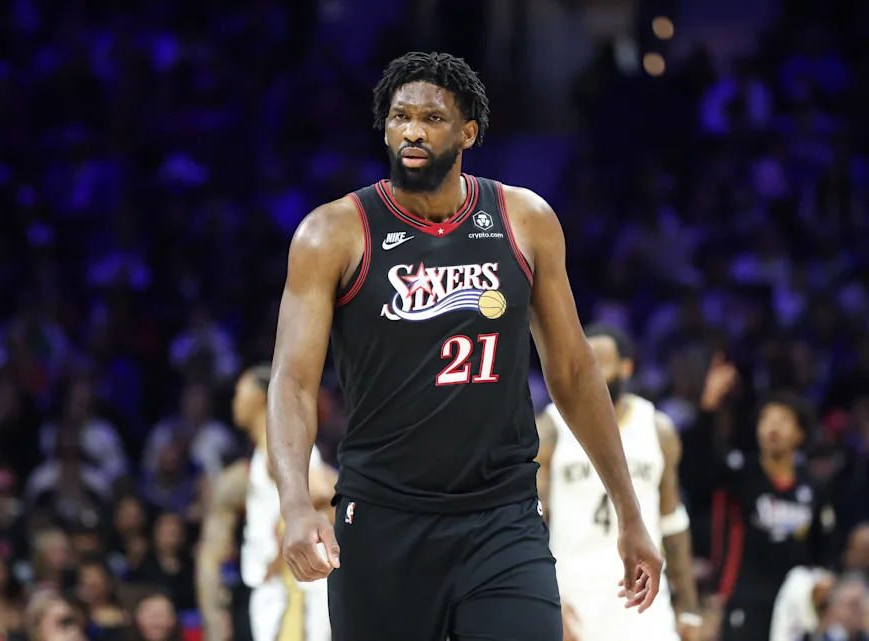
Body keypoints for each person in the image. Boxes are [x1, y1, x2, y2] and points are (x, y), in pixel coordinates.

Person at [267, 51, 663, 641]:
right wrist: (297, 503)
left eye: (432, 118)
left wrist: (630, 513)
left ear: (468, 132)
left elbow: (576, 374)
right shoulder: (332, 233)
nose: (414, 131)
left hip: (501, 518)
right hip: (382, 520)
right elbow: (293, 382)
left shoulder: (524, 219)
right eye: (400, 117)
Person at [536, 323, 701, 641]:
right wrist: (547, 598)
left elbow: (673, 521)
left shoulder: (658, 429)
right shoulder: (551, 427)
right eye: (586, 362)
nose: (591, 373)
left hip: (644, 600)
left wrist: (689, 607)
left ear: (627, 368)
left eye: (601, 364)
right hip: (572, 592)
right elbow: (532, 519)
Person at [685, 355, 837, 641]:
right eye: (766, 419)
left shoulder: (814, 488)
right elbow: (695, 469)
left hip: (795, 608)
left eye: (783, 420)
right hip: (744, 602)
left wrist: (825, 581)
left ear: (800, 433)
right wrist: (708, 407)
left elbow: (823, 552)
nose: (772, 427)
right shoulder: (740, 476)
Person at [197, 364, 336, 641]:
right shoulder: (262, 457)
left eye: (240, 392)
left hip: (295, 590)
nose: (234, 401)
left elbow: (329, 493)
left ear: (261, 397)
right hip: (277, 590)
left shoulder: (281, 452)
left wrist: (284, 540)